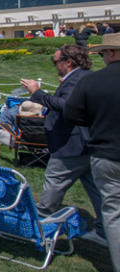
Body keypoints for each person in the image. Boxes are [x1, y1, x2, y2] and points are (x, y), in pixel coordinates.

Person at [21, 44, 102, 237]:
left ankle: (37, 228)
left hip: (70, 146)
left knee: (52, 188)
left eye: (56, 61)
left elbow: (66, 106)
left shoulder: (77, 79)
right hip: (85, 146)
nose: (54, 65)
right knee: (97, 192)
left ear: (68, 62)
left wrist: (37, 93)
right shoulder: (82, 77)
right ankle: (104, 230)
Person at [65, 33, 120, 272]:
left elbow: (73, 114)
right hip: (106, 153)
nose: (103, 57)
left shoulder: (92, 82)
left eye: (104, 53)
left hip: (106, 153)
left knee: (114, 212)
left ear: (113, 53)